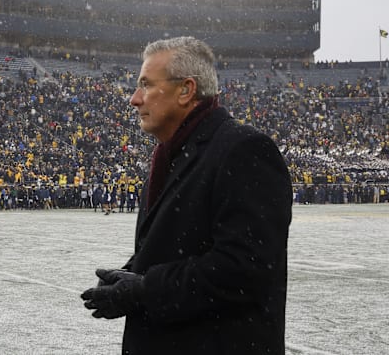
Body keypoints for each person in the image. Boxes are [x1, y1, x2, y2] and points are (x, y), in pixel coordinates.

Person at [80, 37, 292, 354]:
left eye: (146, 85)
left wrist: (142, 290)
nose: (134, 99)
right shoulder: (172, 155)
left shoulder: (243, 150)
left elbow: (244, 268)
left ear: (185, 90)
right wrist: (129, 275)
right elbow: (176, 247)